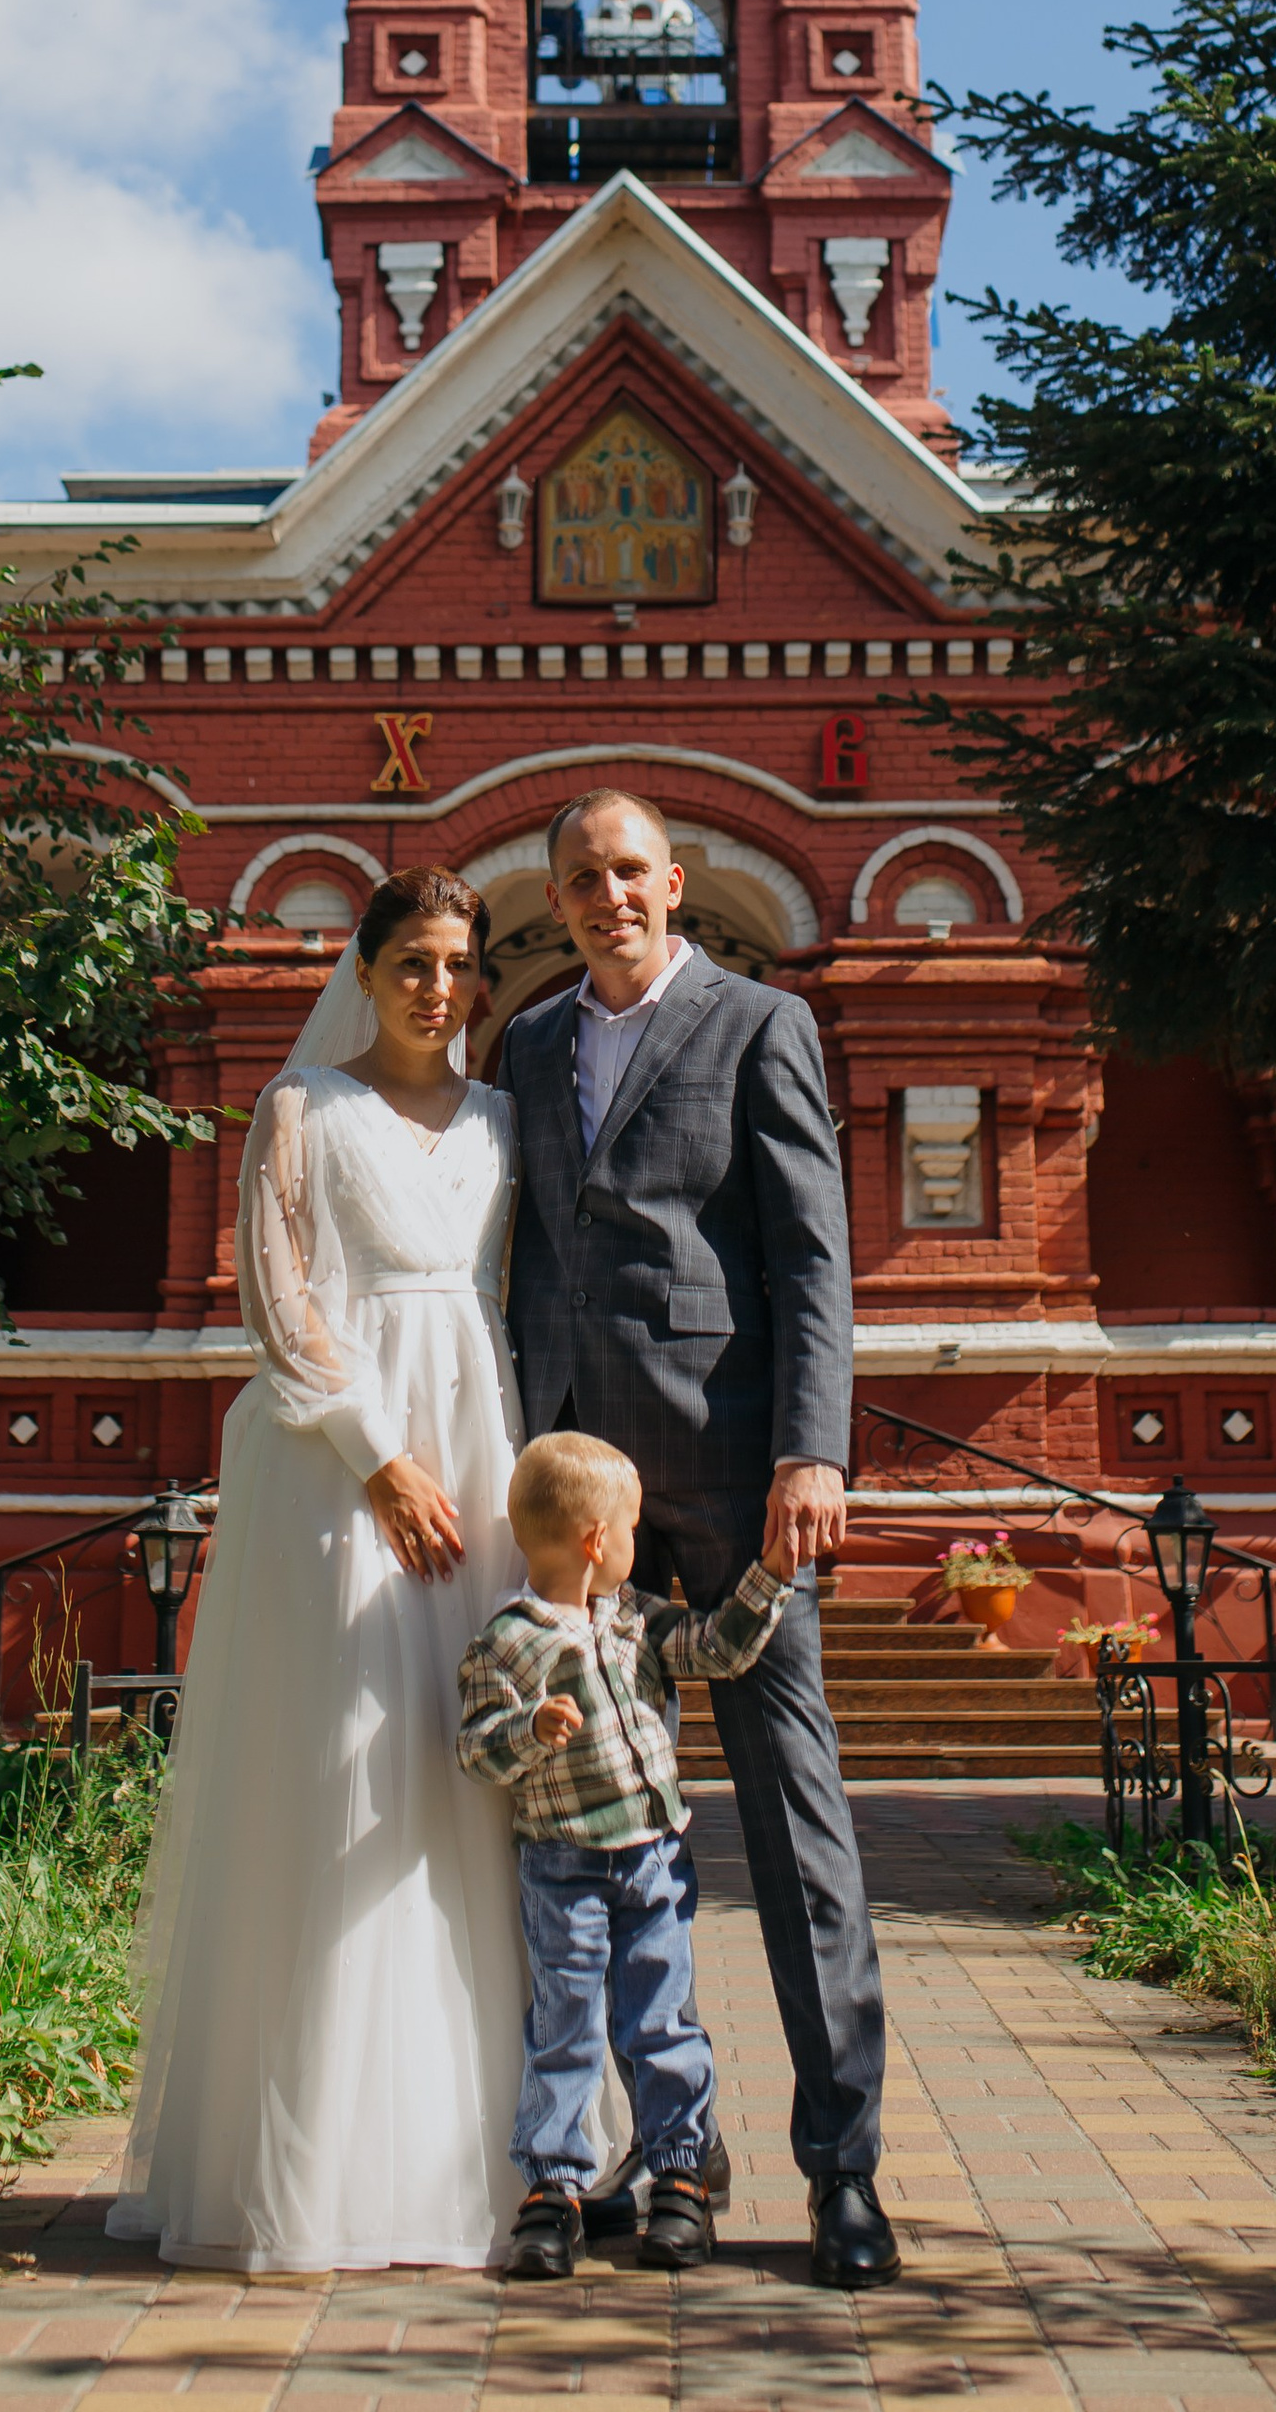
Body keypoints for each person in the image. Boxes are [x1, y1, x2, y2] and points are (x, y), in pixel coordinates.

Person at [501, 789, 902, 2290]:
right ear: (556, 904)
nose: (607, 896)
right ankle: (656, 2149)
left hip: (736, 1488)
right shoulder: (530, 1045)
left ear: (675, 884)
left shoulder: (758, 1024)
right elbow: (528, 1254)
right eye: (580, 879)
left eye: (628, 872)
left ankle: (843, 2173)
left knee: (795, 1822)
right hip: (580, 1521)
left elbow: (811, 1251)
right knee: (591, 1831)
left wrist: (814, 1448)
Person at [108, 868, 528, 2273]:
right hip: (339, 1475)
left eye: (458, 963)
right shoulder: (302, 1110)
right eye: (411, 959)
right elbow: (280, 1301)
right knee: (346, 1768)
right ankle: (304, 2170)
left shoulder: (503, 1125)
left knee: (453, 1780)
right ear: (364, 967)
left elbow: (505, 1301)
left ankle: (452, 2162)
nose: (436, 986)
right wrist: (379, 1459)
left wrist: (478, 1475)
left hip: (476, 1458)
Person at [458, 1429, 789, 2281]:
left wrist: (774, 1575)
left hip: (654, 1857)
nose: (640, 1544)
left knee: (661, 2017)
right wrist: (529, 1732)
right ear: (598, 1540)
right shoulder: (507, 1641)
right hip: (562, 1867)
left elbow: (717, 1647)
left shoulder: (638, 1621)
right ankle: (553, 2189)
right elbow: (476, 1752)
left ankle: (681, 2175)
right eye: (634, 1528)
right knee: (565, 2025)